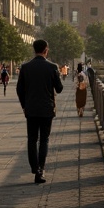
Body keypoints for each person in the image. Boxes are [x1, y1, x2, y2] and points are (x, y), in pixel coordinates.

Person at [16, 39, 63, 184]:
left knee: (32, 139)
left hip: (31, 109)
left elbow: (19, 89)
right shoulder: (52, 67)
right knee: (44, 140)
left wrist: (24, 105)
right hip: (47, 109)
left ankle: (35, 168)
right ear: (46, 50)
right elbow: (59, 89)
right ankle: (41, 170)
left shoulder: (25, 67)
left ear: (34, 49)